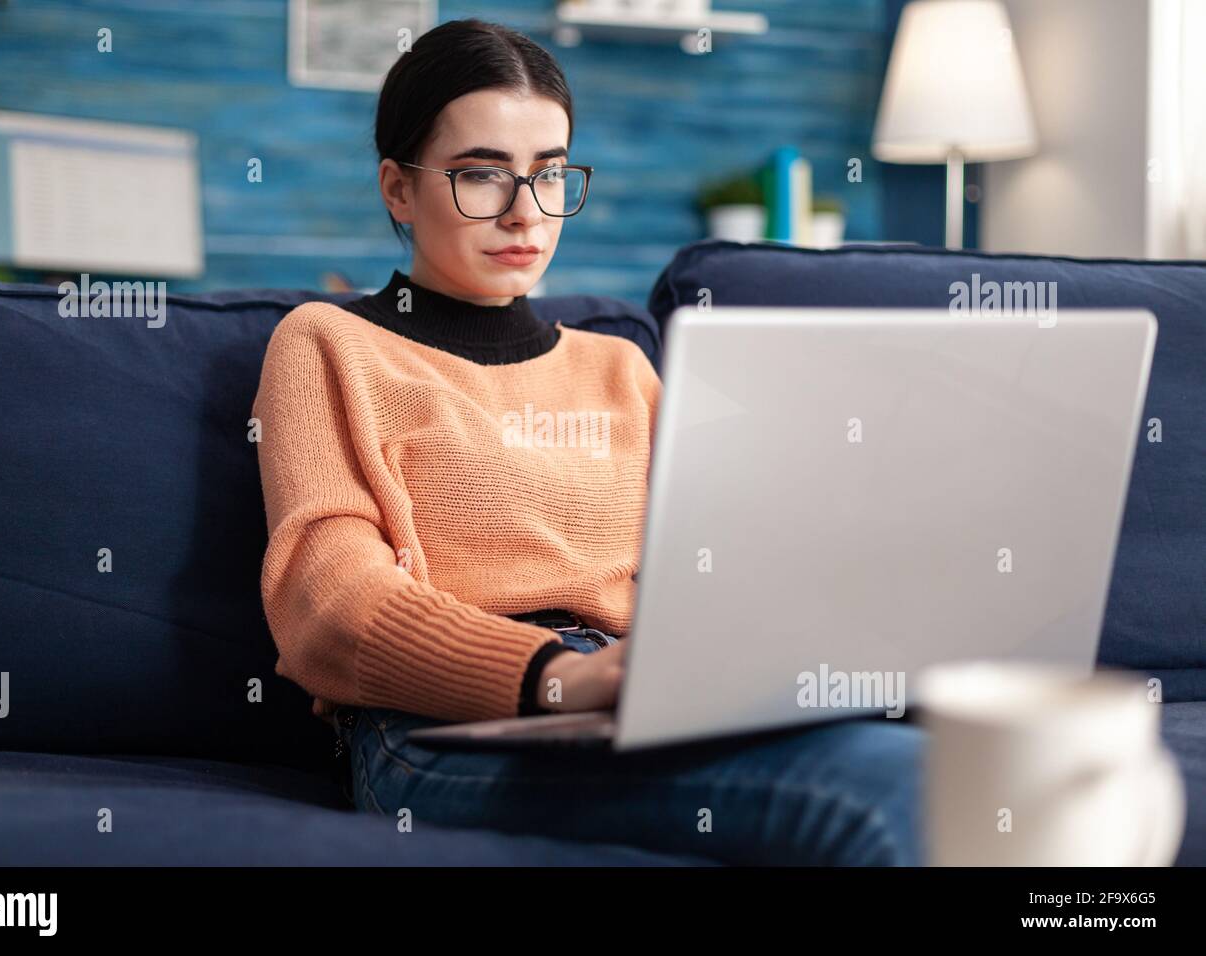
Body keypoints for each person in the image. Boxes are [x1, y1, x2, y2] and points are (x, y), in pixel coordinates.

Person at [252, 17, 924, 866]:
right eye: (482, 176)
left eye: (550, 175)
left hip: (644, 691)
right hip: (449, 723)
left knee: (980, 766)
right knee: (901, 793)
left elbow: (724, 564)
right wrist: (555, 676)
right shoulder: (329, 345)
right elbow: (329, 604)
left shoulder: (619, 368)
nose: (526, 213)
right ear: (397, 189)